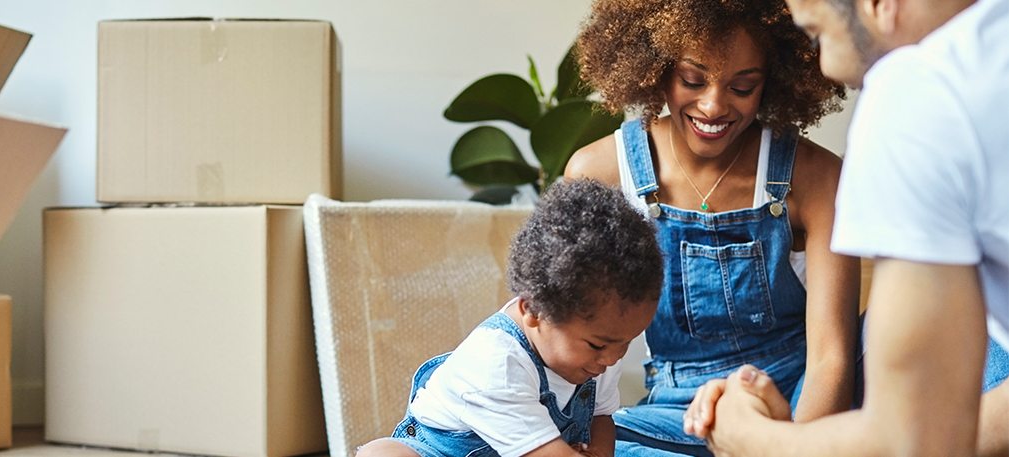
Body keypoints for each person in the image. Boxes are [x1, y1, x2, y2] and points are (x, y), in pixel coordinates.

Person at [683, 0, 1009, 456]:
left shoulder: (920, 89)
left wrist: (751, 438)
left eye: (817, 36)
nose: (827, 68)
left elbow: (915, 438)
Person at [562, 0, 860, 455]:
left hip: (799, 396)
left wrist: (791, 446)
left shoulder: (816, 178)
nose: (713, 105)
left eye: (742, 86)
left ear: (772, 82)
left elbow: (831, 358)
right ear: (655, 65)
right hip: (675, 415)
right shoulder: (599, 173)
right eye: (691, 80)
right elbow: (568, 340)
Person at [355, 179, 663, 457]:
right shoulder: (495, 364)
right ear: (534, 310)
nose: (612, 359)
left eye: (626, 342)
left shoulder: (605, 350)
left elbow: (601, 416)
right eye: (598, 345)